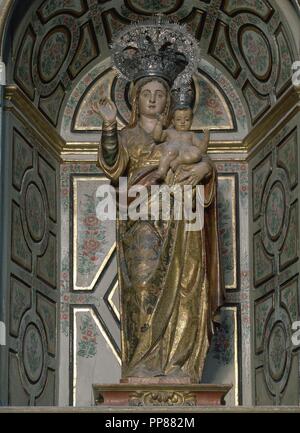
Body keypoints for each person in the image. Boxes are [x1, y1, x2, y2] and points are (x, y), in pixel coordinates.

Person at [95, 75, 224, 382]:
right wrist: (110, 125)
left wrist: (206, 168)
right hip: (142, 221)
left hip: (184, 220)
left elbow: (204, 164)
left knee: (186, 287)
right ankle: (142, 364)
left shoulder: (180, 135)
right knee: (142, 290)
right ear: (136, 100)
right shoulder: (128, 136)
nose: (152, 99)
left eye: (159, 94)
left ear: (168, 102)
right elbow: (113, 168)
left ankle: (179, 365)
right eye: (146, 94)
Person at [152, 107, 210, 180]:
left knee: (196, 154)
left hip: (186, 154)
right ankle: (161, 172)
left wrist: (206, 139)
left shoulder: (191, 134)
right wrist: (159, 123)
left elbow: (202, 151)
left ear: (191, 122)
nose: (183, 122)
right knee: (170, 151)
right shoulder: (169, 132)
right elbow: (157, 138)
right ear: (173, 121)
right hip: (172, 150)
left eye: (187, 120)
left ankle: (178, 161)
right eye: (178, 119)